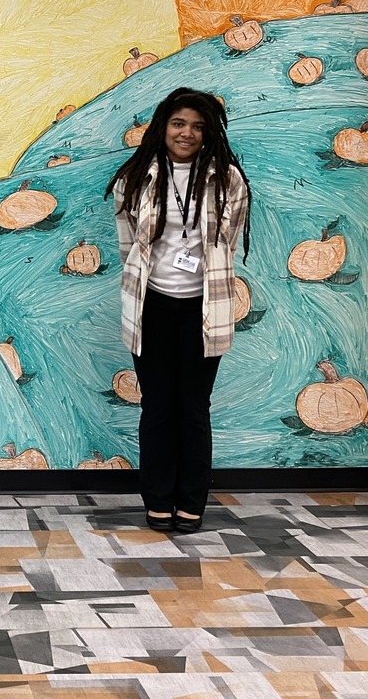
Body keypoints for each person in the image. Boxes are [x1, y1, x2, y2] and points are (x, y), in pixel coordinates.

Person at [105, 87, 251, 533]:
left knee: (193, 409)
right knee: (157, 408)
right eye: (178, 123)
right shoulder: (137, 177)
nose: (187, 133)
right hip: (151, 306)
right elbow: (128, 244)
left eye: (198, 126)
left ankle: (190, 502)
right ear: (163, 127)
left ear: (209, 132)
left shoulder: (227, 180)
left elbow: (227, 244)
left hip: (202, 310)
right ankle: (157, 500)